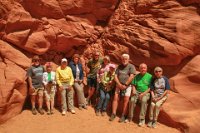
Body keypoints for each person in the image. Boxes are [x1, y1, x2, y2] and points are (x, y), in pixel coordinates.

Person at [109, 54, 136, 122]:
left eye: (126, 59)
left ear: (128, 59)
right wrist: (119, 84)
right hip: (119, 85)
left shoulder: (131, 66)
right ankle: (113, 113)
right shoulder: (119, 66)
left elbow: (131, 76)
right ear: (121, 59)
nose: (124, 60)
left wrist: (125, 84)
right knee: (115, 98)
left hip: (127, 86)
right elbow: (115, 76)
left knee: (126, 99)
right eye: (123, 59)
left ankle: (123, 115)